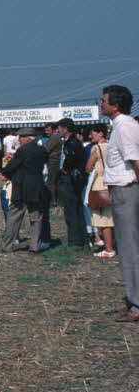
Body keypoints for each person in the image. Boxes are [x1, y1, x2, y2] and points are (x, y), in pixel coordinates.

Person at [100, 85, 139, 322]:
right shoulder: (124, 126)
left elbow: (135, 161)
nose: (101, 104)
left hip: (126, 191)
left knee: (129, 248)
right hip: (125, 191)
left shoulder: (124, 127)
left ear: (115, 105)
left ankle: (136, 306)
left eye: (103, 101)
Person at [0, 128, 48, 253]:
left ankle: (7, 245)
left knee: (14, 217)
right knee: (36, 218)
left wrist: (5, 172)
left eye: (20, 137)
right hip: (37, 187)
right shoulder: (41, 149)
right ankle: (35, 246)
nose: (18, 140)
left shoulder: (23, 150)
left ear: (27, 138)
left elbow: (13, 166)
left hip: (22, 187)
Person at [53, 118, 89, 248]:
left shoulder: (71, 143)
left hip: (69, 179)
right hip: (76, 179)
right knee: (77, 209)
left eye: (60, 128)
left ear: (66, 129)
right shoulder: (74, 141)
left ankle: (74, 241)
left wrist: (63, 171)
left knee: (71, 210)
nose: (58, 131)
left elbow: (70, 159)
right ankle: (82, 239)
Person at [86, 125, 115, 257]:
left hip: (99, 185)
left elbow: (88, 167)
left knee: (103, 221)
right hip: (112, 183)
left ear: (101, 134)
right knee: (111, 218)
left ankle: (109, 249)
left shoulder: (96, 148)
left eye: (93, 133)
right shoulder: (111, 146)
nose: (91, 136)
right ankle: (113, 244)